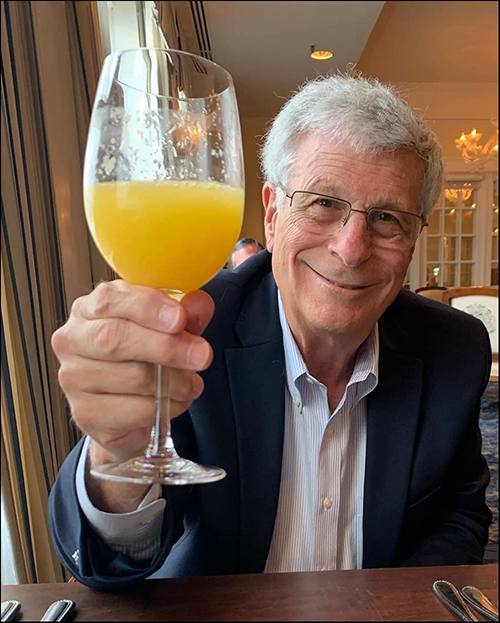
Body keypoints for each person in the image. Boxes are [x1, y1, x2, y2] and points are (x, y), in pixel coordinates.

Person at [49, 73, 492, 590]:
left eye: (387, 217)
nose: (351, 248)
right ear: (273, 213)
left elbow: (459, 517)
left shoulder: (452, 351)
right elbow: (107, 565)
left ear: (414, 239)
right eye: (323, 203)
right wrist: (118, 457)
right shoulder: (192, 331)